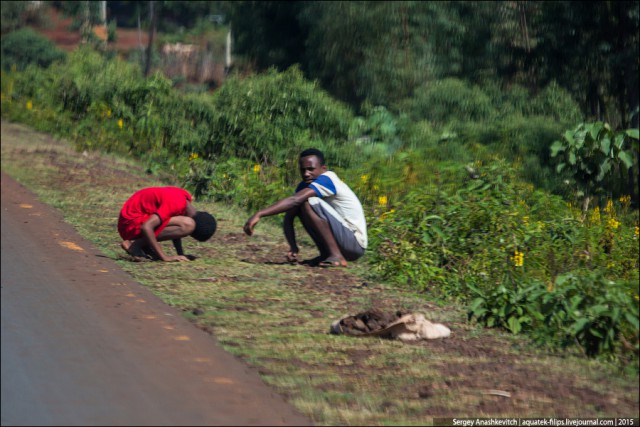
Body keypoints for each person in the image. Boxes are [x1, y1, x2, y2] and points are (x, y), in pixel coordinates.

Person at [243, 148, 367, 267]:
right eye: (303, 170)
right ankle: (326, 255)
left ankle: (336, 256)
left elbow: (294, 200)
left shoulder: (327, 179)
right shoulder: (305, 186)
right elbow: (289, 216)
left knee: (306, 201)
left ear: (323, 169)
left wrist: (259, 214)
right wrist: (293, 247)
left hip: (355, 243)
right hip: (343, 240)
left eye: (311, 169)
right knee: (301, 204)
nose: (306, 174)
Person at [118, 186, 216, 262]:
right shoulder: (176, 203)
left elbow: (175, 229)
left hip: (134, 218)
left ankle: (143, 246)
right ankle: (135, 245)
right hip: (129, 224)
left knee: (185, 224)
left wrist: (181, 254)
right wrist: (165, 257)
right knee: (187, 225)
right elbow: (146, 227)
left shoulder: (185, 199)